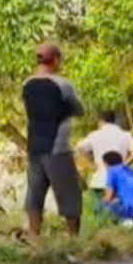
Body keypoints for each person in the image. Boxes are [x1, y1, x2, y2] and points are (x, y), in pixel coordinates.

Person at [21, 42, 84, 238]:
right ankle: (72, 238)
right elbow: (79, 109)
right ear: (55, 60)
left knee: (35, 194)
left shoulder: (27, 84)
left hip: (33, 147)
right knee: (69, 194)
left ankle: (34, 236)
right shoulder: (62, 85)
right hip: (57, 146)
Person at [76, 109, 133, 201]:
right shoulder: (125, 135)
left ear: (101, 121)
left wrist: (91, 165)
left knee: (100, 212)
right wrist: (124, 164)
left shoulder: (94, 135)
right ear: (114, 121)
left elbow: (79, 148)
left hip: (100, 181)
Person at [99, 151, 133, 222]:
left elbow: (108, 197)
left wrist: (101, 202)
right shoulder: (129, 169)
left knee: (101, 205)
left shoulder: (111, 171)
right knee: (117, 201)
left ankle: (125, 221)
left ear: (107, 163)